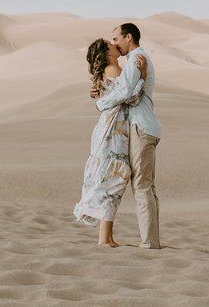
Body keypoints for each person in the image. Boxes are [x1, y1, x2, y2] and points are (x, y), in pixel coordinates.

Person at [73, 38, 148, 246]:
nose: (115, 45)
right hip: (113, 129)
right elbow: (129, 97)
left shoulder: (114, 69)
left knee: (113, 177)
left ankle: (107, 237)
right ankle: (104, 239)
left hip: (114, 127)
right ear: (107, 52)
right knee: (113, 178)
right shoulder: (114, 70)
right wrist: (142, 78)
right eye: (110, 43)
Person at [95, 23, 162, 249]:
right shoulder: (136, 59)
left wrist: (100, 102)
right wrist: (100, 89)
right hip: (144, 126)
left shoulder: (136, 59)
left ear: (128, 37)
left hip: (140, 127)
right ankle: (151, 240)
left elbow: (124, 93)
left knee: (142, 187)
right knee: (147, 187)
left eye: (116, 38)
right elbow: (122, 88)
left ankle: (149, 243)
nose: (114, 43)